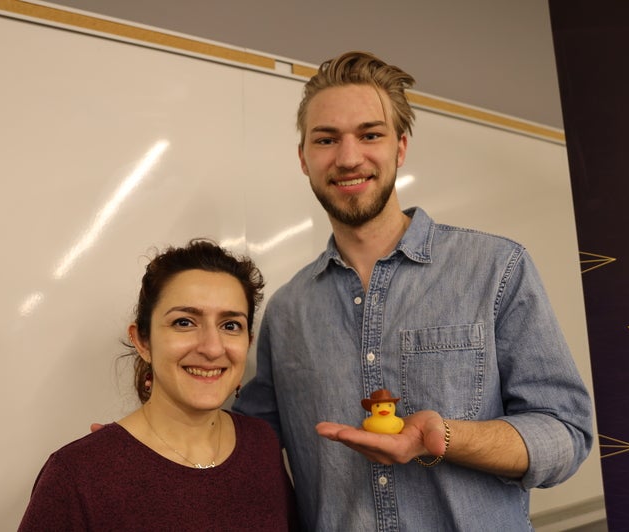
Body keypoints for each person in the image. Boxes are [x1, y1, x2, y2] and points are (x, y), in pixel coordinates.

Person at [232, 51, 594, 530]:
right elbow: (246, 444)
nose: (348, 157)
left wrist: (443, 437)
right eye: (326, 139)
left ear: (400, 147)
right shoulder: (286, 311)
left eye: (370, 134)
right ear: (304, 158)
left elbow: (565, 431)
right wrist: (148, 440)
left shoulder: (496, 269)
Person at [19, 239, 297, 531]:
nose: (213, 348)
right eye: (184, 322)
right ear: (143, 341)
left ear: (247, 343)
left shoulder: (260, 445)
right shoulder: (77, 475)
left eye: (230, 326)